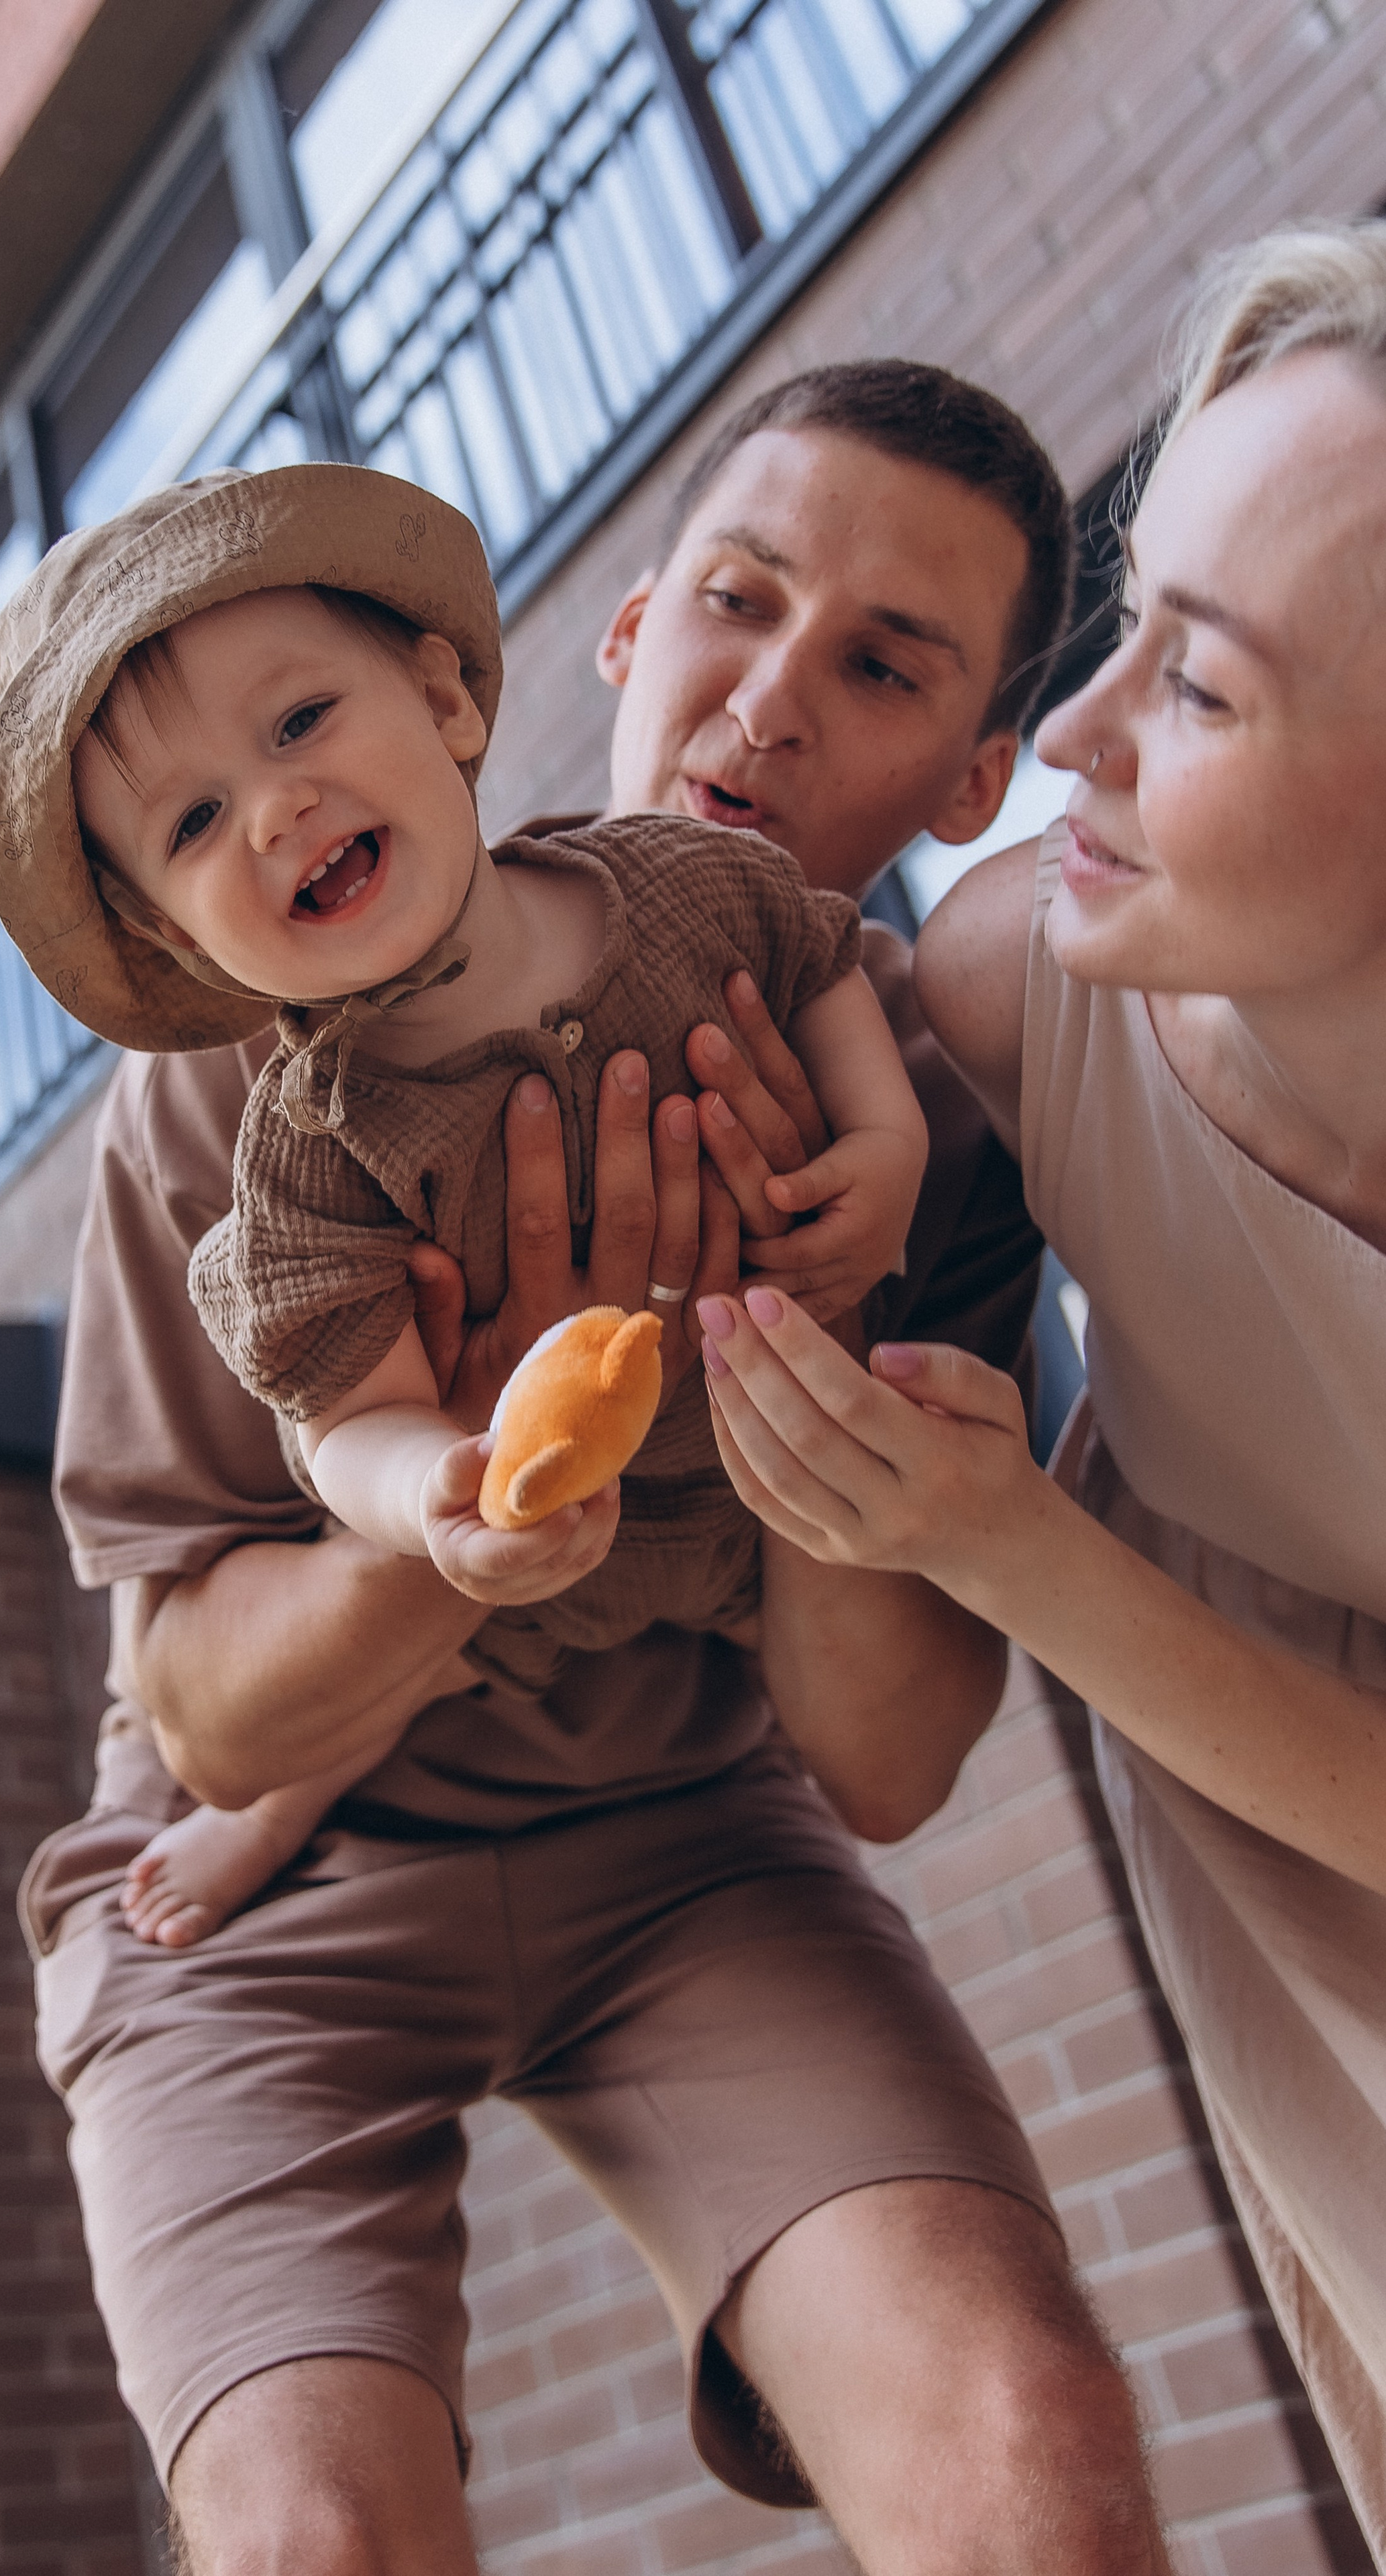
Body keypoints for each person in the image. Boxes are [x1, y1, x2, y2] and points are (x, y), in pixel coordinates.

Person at [15, 362, 1173, 2571]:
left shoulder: (934, 1133)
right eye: (738, 606)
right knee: (316, 2541)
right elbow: (202, 1712)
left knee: (1029, 2444)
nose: (770, 704)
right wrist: (490, 1494)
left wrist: (794, 1332)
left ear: (976, 773)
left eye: (884, 665)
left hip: (691, 1839)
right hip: (275, 1874)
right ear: (626, 634)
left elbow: (892, 1760)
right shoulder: (258, 1076)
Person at [694, 235, 1386, 2559]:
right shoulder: (1023, 980)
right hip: (1301, 1920)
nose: (1074, 738)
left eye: (1195, 688)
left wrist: (1011, 1546)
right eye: (1123, 622)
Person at [0, 460, 925, 1946]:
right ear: (180, 945)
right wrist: (434, 1492)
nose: (274, 810)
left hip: (739, 1493)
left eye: (299, 722)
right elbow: (338, 1416)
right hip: (531, 1559)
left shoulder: (675, 883)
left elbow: (810, 965)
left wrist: (881, 1158)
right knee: (421, 1655)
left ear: (444, 703)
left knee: (856, 1532)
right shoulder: (311, 1149)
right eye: (190, 827)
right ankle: (279, 1816)